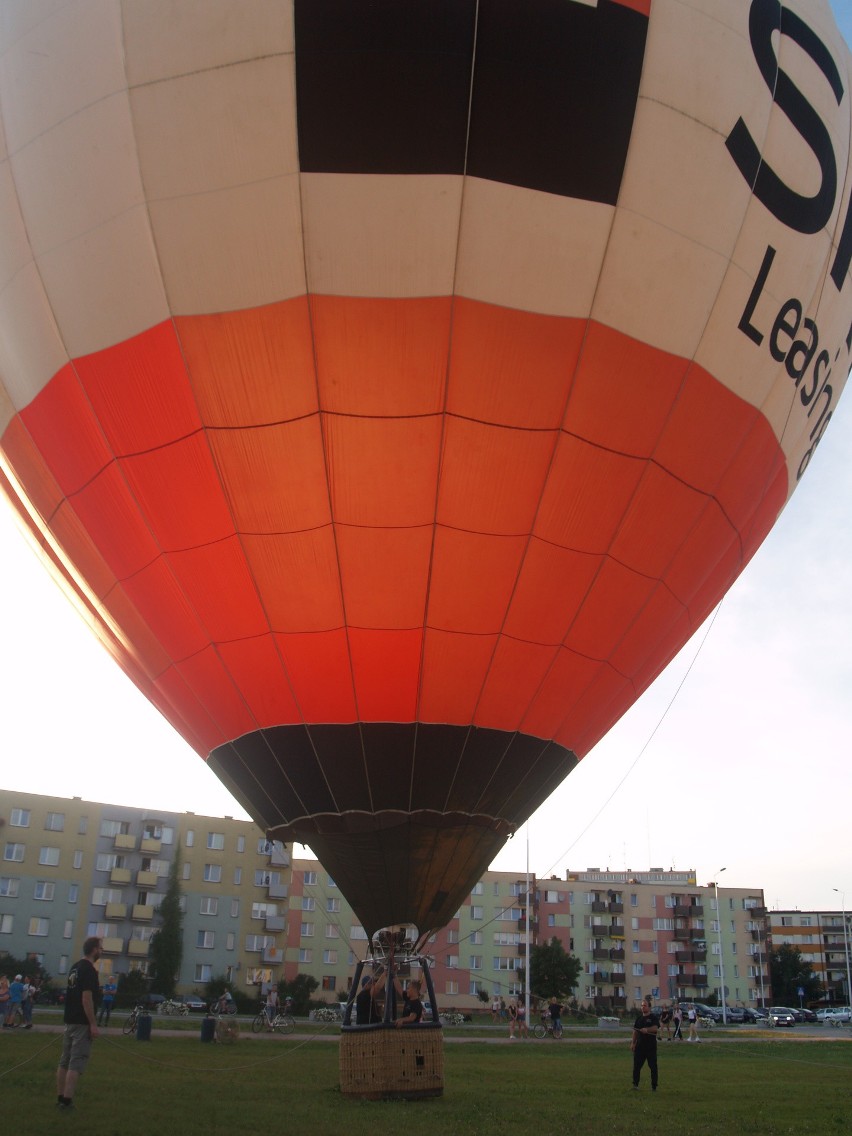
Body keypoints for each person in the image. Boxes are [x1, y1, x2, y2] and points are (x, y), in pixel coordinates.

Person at [56, 936, 101, 1110]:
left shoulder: (75, 967)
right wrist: (93, 1024)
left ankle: (60, 1097)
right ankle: (66, 1102)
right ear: (94, 949)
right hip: (82, 1022)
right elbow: (86, 998)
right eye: (101, 948)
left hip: (70, 1020)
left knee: (64, 1061)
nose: (101, 951)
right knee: (76, 1062)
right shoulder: (89, 969)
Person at [631, 998, 659, 1091]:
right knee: (636, 1066)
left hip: (650, 1047)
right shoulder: (639, 1019)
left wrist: (647, 1030)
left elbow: (655, 1028)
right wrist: (633, 1043)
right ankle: (635, 1085)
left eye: (645, 1005)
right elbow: (635, 1032)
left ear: (649, 1007)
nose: (643, 1007)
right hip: (640, 1047)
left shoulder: (653, 1018)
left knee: (653, 1067)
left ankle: (654, 1086)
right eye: (642, 1005)